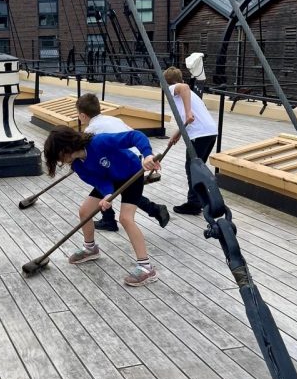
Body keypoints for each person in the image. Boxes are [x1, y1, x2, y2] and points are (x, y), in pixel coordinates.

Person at [43, 125, 161, 286]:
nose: (59, 161)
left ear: (66, 148)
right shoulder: (78, 165)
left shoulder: (99, 142)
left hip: (132, 174)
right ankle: (90, 249)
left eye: (58, 156)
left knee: (126, 218)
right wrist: (107, 194)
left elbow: (135, 136)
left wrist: (148, 155)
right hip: (109, 178)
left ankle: (146, 268)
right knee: (85, 211)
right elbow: (99, 181)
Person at [76, 93, 169, 232]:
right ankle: (113, 218)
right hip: (136, 155)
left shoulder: (90, 130)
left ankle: (111, 219)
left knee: (106, 183)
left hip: (124, 159)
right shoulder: (112, 119)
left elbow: (95, 154)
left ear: (83, 116)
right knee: (124, 189)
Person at [163, 66, 218, 214]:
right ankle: (203, 200)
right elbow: (185, 117)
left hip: (200, 134)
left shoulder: (174, 88)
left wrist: (188, 112)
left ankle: (194, 203)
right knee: (198, 168)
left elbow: (184, 87)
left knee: (192, 167)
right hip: (209, 132)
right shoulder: (190, 95)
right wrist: (178, 133)